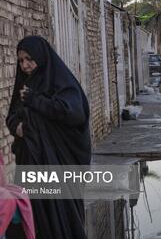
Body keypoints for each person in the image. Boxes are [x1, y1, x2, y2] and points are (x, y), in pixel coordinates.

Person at [6, 36, 91, 239]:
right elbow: (11, 115)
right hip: (31, 162)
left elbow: (73, 113)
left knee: (62, 218)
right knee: (34, 219)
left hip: (59, 165)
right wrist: (17, 127)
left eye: (29, 59)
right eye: (20, 60)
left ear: (42, 58)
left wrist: (36, 100)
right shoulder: (24, 86)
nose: (25, 65)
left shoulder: (61, 82)